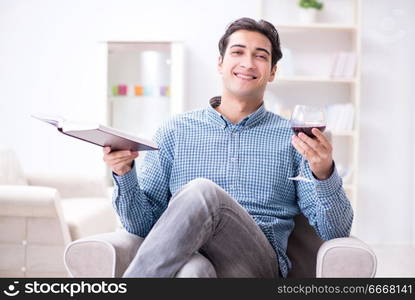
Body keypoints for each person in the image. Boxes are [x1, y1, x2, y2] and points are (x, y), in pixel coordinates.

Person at [103, 17, 353, 278]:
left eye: (260, 56)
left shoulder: (293, 139)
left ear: (272, 72)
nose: (247, 63)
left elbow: (335, 231)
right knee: (193, 272)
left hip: (256, 264)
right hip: (192, 257)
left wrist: (324, 173)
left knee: (203, 191)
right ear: (220, 63)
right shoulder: (174, 132)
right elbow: (141, 226)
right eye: (237, 52)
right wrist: (124, 174)